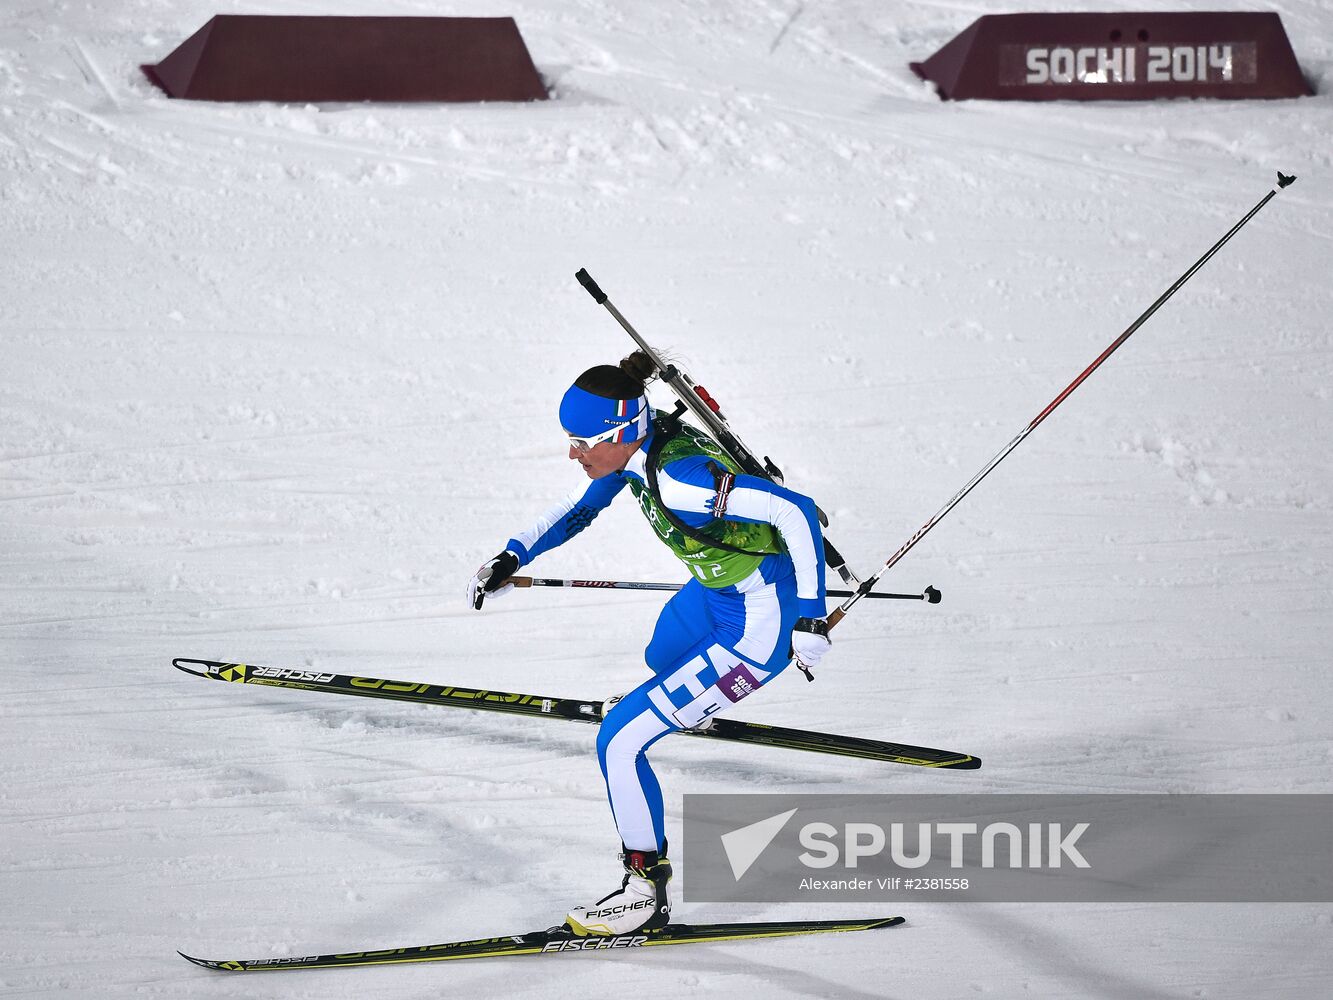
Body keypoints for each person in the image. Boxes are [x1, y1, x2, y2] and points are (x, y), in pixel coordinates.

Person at [466, 351, 832, 936]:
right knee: (661, 660)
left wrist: (811, 619)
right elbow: (579, 511)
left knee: (617, 740)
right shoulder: (640, 446)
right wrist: (514, 556)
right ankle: (686, 705)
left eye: (582, 442)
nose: (573, 453)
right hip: (718, 595)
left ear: (618, 434)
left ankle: (643, 891)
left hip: (759, 627)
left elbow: (795, 511)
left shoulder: (681, 483)